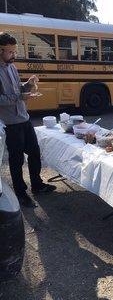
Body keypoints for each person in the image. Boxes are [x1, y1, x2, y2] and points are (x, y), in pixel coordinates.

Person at [0, 32, 56, 207]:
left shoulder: (12, 67)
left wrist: (29, 84)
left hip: (24, 118)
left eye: (14, 52)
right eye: (10, 52)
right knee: (16, 159)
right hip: (10, 123)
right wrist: (19, 97)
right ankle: (20, 193)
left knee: (34, 152)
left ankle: (37, 185)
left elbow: (18, 89)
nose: (14, 55)